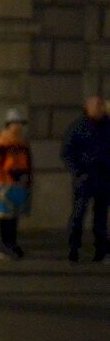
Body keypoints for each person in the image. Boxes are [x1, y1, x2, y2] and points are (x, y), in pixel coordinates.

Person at [61, 95, 109, 262]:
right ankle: (74, 248)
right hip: (85, 178)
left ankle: (101, 251)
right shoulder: (79, 127)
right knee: (79, 213)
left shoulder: (107, 126)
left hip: (104, 178)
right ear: (87, 108)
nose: (100, 108)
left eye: (101, 105)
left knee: (101, 218)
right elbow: (67, 152)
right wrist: (78, 172)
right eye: (96, 105)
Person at [0, 108, 32, 260]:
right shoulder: (3, 142)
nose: (19, 126)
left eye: (20, 124)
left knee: (13, 217)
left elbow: (26, 163)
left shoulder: (21, 141)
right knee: (5, 218)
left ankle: (12, 244)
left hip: (17, 184)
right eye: (16, 123)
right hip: (6, 184)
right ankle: (5, 245)